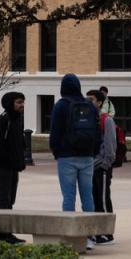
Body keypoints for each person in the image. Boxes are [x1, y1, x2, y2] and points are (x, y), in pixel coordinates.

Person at [49, 74, 100, 248]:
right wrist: (93, 152)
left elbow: (54, 132)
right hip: (87, 156)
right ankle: (89, 237)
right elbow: (97, 132)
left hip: (66, 156)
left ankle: (70, 235)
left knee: (68, 197)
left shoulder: (60, 105)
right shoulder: (89, 105)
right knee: (88, 196)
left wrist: (56, 151)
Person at [0, 91, 27, 244]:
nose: (21, 105)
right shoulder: (4, 120)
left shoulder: (17, 119)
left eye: (22, 102)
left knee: (10, 199)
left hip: (13, 166)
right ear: (10, 103)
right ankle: (3, 235)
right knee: (4, 199)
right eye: (18, 102)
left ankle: (7, 233)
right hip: (3, 166)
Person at [87, 89, 116, 246]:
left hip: (102, 168)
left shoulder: (107, 120)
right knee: (93, 200)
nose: (88, 101)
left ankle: (106, 234)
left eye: (91, 99)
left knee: (103, 199)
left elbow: (111, 146)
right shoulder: (87, 119)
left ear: (99, 102)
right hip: (89, 167)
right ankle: (96, 232)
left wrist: (105, 164)